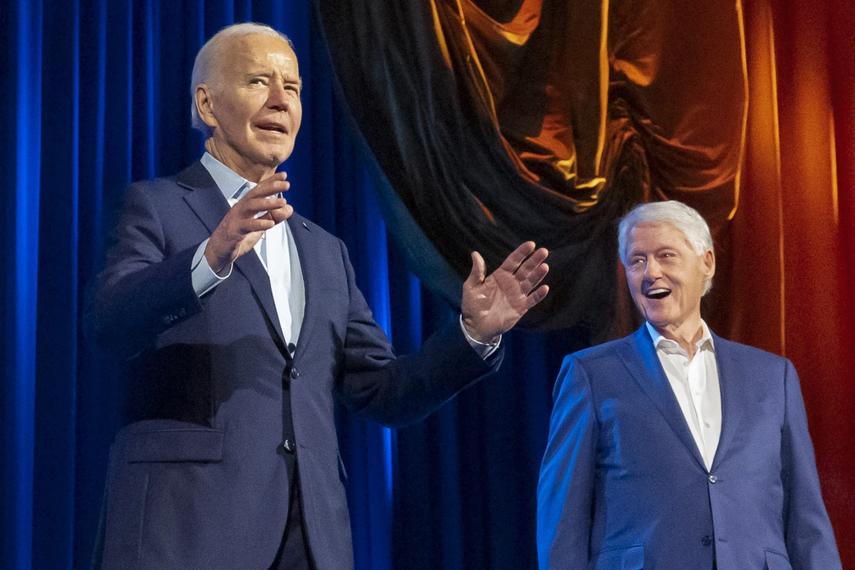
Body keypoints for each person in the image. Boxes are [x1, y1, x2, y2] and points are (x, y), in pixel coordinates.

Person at [85, 22, 549, 570]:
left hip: (310, 541)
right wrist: (210, 259)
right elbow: (109, 322)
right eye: (259, 81)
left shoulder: (325, 253)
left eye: (295, 87)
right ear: (207, 106)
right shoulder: (155, 206)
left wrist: (473, 334)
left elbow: (383, 391)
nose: (281, 100)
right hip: (187, 531)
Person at [536, 201, 841, 569]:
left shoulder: (773, 376)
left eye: (666, 256)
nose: (651, 272)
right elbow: (562, 521)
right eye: (636, 260)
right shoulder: (591, 374)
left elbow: (806, 515)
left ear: (706, 263)